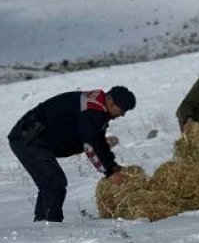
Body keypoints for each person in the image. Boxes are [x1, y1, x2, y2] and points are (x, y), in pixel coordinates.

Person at [8, 86, 135, 222]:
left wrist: (113, 167)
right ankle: (49, 226)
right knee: (54, 182)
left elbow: (98, 142)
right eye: (122, 110)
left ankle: (43, 223)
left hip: (34, 138)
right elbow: (90, 145)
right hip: (28, 137)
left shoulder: (98, 107)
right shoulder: (92, 110)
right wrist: (110, 172)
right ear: (111, 103)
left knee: (50, 183)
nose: (122, 115)